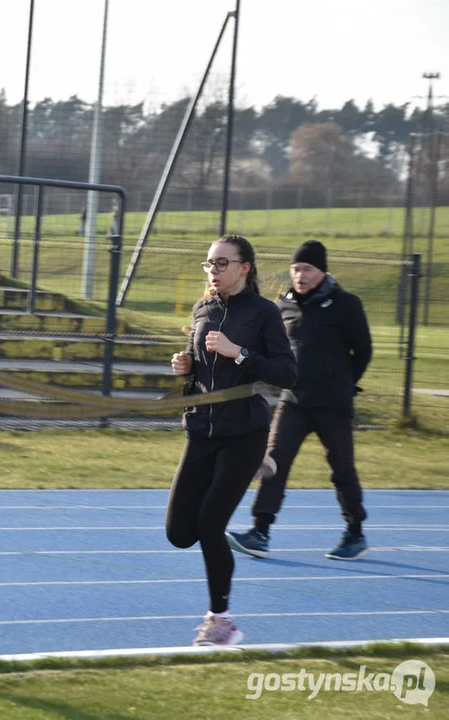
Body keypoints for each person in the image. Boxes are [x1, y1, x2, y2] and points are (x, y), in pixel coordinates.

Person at [167, 234, 297, 646]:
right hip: (202, 430)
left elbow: (287, 374)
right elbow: (199, 370)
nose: (214, 271)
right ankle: (250, 471)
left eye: (222, 263)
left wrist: (238, 353)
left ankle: (220, 621)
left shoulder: (263, 313)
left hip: (244, 432)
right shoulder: (202, 308)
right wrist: (184, 366)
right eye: (209, 263)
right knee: (178, 533)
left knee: (210, 526)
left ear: (245, 268)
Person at [227, 240, 373, 561]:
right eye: (295, 269)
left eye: (307, 269)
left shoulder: (346, 304)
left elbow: (363, 351)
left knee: (342, 469)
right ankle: (260, 531)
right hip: (294, 401)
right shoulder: (285, 306)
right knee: (273, 464)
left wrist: (345, 383)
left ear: (322, 271)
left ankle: (355, 532)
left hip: (333, 403)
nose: (300, 275)